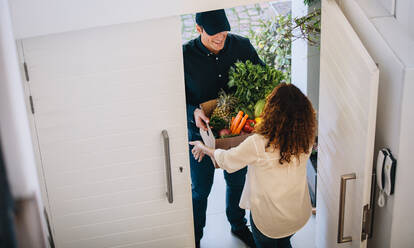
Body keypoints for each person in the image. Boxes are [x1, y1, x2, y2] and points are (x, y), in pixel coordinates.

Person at [190, 83, 317, 248]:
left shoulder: (259, 143)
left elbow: (228, 160)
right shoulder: (306, 136)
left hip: (269, 222)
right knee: (285, 242)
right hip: (296, 215)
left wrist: (203, 147)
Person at [183, 9, 264, 248]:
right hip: (199, 134)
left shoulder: (242, 46)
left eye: (224, 34)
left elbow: (260, 77)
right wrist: (193, 112)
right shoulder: (184, 56)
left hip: (237, 132)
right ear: (198, 30)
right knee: (200, 190)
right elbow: (172, 96)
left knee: (237, 182)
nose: (220, 40)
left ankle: (238, 226)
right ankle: (194, 237)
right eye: (213, 36)